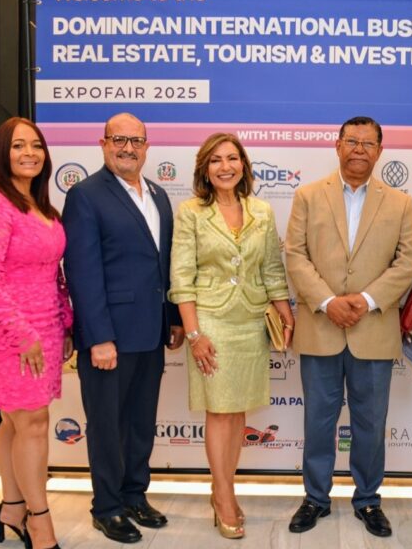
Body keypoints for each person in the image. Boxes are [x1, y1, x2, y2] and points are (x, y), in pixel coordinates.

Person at [285, 116, 412, 538]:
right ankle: (315, 498)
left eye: (368, 143)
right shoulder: (308, 195)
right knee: (318, 421)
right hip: (320, 327)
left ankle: (368, 500)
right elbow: (295, 255)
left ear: (380, 150)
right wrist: (327, 302)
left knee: (370, 422)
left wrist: (365, 300)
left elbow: (408, 261)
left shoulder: (400, 202)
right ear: (337, 145)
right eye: (352, 141)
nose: (359, 149)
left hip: (374, 328)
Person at [62, 113, 184, 544]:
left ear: (147, 146)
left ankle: (134, 494)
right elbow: (82, 272)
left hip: (150, 333)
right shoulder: (85, 195)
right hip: (109, 336)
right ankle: (107, 507)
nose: (128, 147)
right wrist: (98, 337)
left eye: (136, 140)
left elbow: (163, 265)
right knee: (107, 425)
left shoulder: (158, 195)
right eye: (119, 139)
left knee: (139, 423)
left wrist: (172, 320)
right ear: (103, 143)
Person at [168, 133, 294, 539]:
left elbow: (272, 270)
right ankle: (223, 493)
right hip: (211, 322)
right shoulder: (190, 212)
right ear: (205, 168)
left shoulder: (261, 209)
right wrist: (194, 334)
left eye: (233, 158)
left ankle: (223, 486)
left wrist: (285, 312)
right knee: (219, 411)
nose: (226, 166)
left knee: (237, 411)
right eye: (216, 160)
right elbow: (181, 279)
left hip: (251, 322)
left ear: (244, 164)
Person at [0, 116, 73, 549]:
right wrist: (22, 333)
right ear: (1, 154)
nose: (29, 153)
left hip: (45, 326)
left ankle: (11, 507)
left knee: (15, 420)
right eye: (18, 146)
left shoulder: (44, 208)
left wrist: (64, 322)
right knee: (32, 422)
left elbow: (55, 274)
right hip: (9, 332)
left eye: (37, 146)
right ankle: (38, 520)